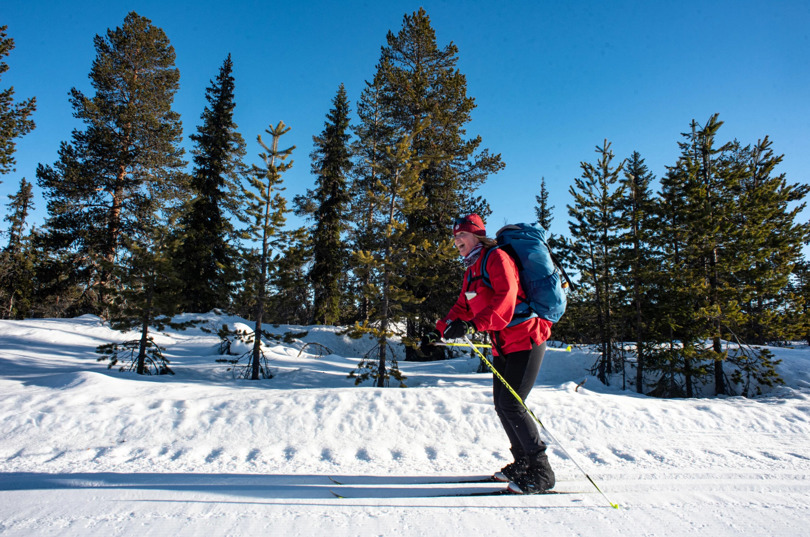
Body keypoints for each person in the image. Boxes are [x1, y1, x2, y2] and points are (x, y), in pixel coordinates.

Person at [422, 213, 555, 494]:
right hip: (503, 343)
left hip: (526, 338)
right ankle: (522, 463)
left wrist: (473, 324)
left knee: (511, 404)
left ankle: (541, 471)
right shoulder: (472, 268)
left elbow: (506, 299)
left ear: (477, 236)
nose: (457, 239)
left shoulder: (496, 258)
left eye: (462, 235)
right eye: (455, 236)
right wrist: (440, 330)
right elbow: (462, 305)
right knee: (501, 404)